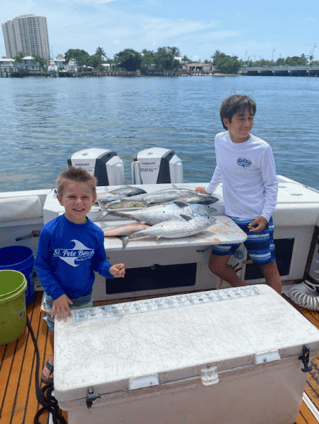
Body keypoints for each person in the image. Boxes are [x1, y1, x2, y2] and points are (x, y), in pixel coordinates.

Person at [35, 166, 125, 383]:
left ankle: (77, 353)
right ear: (60, 199)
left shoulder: (95, 233)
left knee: (81, 327)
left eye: (85, 197)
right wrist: (56, 294)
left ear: (93, 199)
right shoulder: (50, 231)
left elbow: (98, 261)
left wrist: (110, 270)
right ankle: (56, 356)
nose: (78, 202)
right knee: (55, 329)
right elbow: (41, 266)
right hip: (56, 297)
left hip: (83, 295)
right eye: (72, 196)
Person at [195, 94, 281, 295]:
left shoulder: (262, 148)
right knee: (216, 265)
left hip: (256, 220)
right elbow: (221, 166)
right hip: (231, 219)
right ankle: (242, 289)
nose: (248, 123)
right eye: (241, 118)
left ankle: (278, 313)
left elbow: (272, 185)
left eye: (250, 118)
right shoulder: (220, 140)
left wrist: (265, 216)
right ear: (227, 122)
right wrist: (209, 189)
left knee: (269, 269)